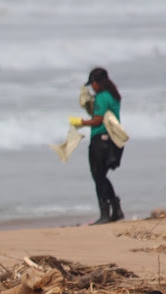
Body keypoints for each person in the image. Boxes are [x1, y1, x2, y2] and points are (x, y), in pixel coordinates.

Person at [69, 67, 124, 225]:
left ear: (99, 82)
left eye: (93, 83)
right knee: (101, 176)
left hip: (100, 139)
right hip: (112, 140)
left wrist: (80, 122)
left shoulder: (101, 97)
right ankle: (116, 210)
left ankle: (105, 214)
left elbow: (98, 120)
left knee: (97, 176)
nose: (92, 87)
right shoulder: (114, 96)